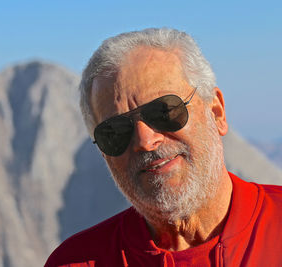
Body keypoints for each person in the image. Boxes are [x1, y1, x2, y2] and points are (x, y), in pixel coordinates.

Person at [45, 28, 282, 266]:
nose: (145, 142)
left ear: (216, 112)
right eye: (116, 131)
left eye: (163, 111)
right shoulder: (74, 261)